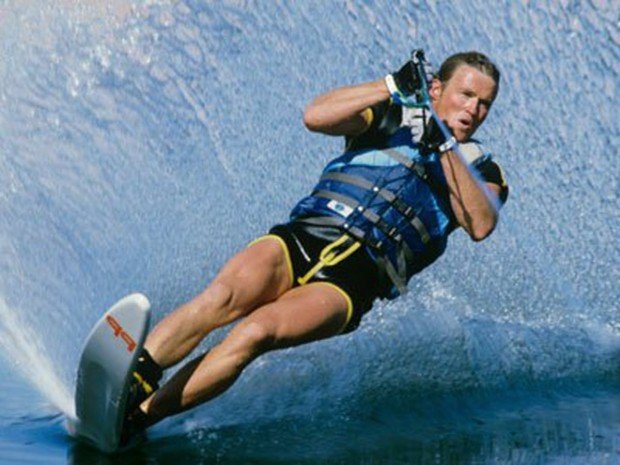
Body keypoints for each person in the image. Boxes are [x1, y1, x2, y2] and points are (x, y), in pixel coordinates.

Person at [122, 49, 509, 439]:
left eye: (484, 104)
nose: (473, 109)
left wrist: (443, 145)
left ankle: (139, 417)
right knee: (222, 297)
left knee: (254, 333)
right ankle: (137, 374)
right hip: (307, 233)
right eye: (465, 95)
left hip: (352, 281)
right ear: (437, 88)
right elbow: (315, 117)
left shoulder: (482, 169)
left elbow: (480, 224)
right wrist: (390, 85)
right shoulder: (391, 112)